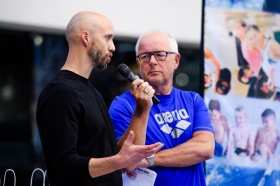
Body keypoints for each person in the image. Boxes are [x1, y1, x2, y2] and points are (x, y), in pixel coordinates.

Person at [36, 11, 164, 186]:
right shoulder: (60, 92)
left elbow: (110, 157)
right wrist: (119, 161)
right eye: (107, 38)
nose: (112, 47)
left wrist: (142, 109)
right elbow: (62, 166)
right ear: (86, 37)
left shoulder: (91, 91)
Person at [109, 30, 215, 186]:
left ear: (176, 60)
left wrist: (149, 159)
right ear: (138, 63)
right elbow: (126, 160)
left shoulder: (192, 100)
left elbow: (205, 148)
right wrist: (142, 109)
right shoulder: (122, 105)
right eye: (145, 56)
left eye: (160, 54)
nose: (152, 61)